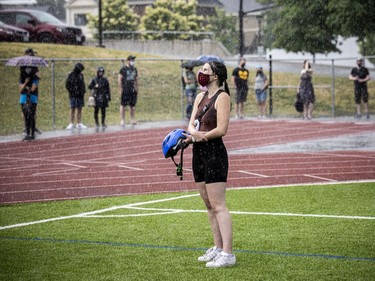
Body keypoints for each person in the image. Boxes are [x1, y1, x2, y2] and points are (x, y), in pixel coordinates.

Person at [184, 61, 236, 268]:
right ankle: (217, 247)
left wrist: (200, 136)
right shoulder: (199, 96)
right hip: (198, 152)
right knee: (208, 205)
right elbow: (190, 123)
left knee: (218, 205)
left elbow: (222, 129)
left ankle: (228, 253)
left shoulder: (222, 97)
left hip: (214, 153)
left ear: (215, 76)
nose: (201, 73)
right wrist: (191, 135)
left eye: (206, 70)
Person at [21, 48, 42, 135]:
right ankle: (26, 127)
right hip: (25, 91)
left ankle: (33, 126)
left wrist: (36, 75)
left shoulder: (34, 67)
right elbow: (21, 80)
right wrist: (25, 84)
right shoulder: (22, 67)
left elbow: (39, 77)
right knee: (24, 110)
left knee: (33, 111)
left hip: (33, 92)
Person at [19, 66, 39, 141]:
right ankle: (27, 133)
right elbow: (20, 90)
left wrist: (28, 88)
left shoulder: (34, 77)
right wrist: (25, 83)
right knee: (26, 116)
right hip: (24, 99)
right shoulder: (22, 77)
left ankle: (32, 133)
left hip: (32, 98)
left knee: (32, 116)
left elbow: (33, 89)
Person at [65, 62, 87, 130]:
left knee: (79, 109)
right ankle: (71, 123)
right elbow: (67, 85)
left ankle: (79, 123)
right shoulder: (71, 75)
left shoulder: (81, 75)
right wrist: (72, 91)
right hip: (73, 95)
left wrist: (83, 91)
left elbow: (83, 84)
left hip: (80, 95)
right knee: (73, 108)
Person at [88, 67, 111, 131]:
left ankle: (103, 123)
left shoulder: (105, 80)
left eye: (102, 72)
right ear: (97, 72)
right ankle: (97, 123)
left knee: (103, 111)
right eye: (100, 72)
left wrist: (109, 97)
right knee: (96, 110)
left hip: (103, 96)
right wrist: (95, 86)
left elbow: (108, 89)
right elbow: (89, 87)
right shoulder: (94, 79)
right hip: (96, 96)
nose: (101, 73)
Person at [118, 55, 139, 127]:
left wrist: (136, 88)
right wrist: (120, 88)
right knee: (123, 105)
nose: (133, 61)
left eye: (133, 60)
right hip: (125, 89)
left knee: (132, 105)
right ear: (128, 61)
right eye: (131, 60)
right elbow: (119, 79)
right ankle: (122, 120)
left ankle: (132, 119)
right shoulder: (123, 69)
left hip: (132, 89)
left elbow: (136, 79)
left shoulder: (134, 69)